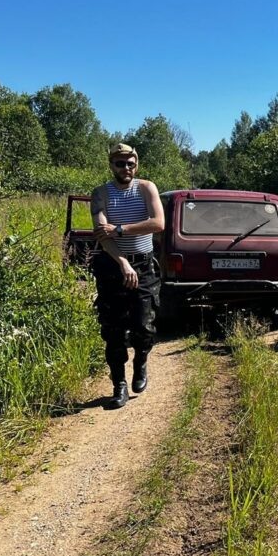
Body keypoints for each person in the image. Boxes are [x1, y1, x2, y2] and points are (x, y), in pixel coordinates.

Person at [90, 143, 165, 409]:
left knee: (144, 325)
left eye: (130, 163)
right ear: (111, 164)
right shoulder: (100, 194)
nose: (126, 168)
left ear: (137, 164)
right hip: (113, 267)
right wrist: (122, 262)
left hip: (144, 267)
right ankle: (118, 385)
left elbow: (158, 223)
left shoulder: (146, 188)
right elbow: (102, 233)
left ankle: (141, 360)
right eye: (120, 163)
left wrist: (120, 229)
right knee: (113, 330)